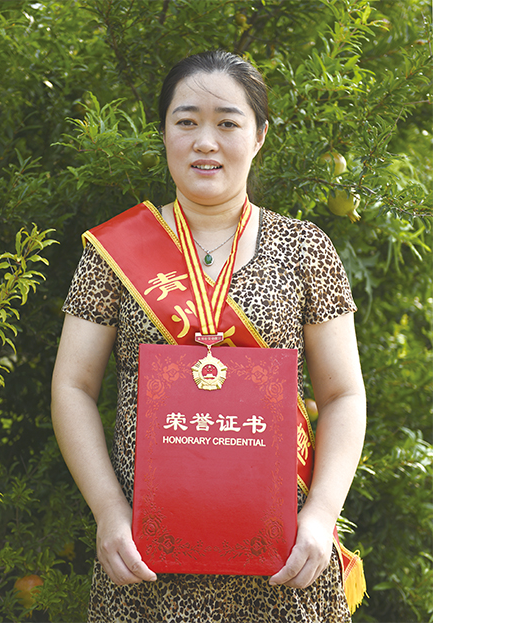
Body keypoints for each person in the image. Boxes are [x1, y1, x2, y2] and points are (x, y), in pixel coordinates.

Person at [51, 49, 366, 622]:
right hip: (144, 561)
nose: (205, 141)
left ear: (259, 136)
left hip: (285, 559)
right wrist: (107, 511)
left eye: (227, 123)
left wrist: (321, 515)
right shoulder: (114, 254)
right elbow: (73, 386)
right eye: (187, 121)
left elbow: (343, 394)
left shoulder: (306, 250)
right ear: (164, 132)